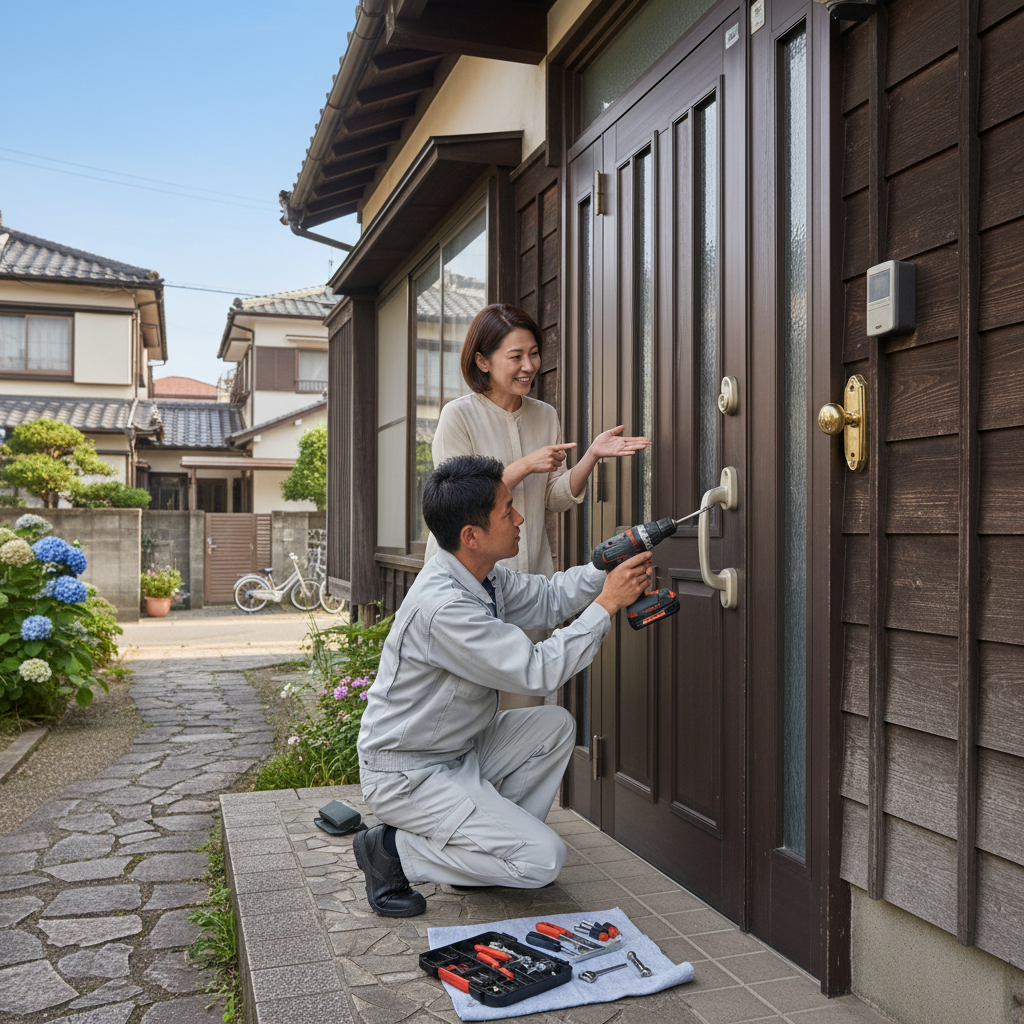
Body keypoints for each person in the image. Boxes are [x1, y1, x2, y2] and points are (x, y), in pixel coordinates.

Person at [354, 454, 652, 916]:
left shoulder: (481, 575)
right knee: (543, 860)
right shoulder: (445, 609)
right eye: (507, 511)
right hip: (408, 775)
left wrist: (606, 564)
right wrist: (608, 604)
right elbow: (537, 670)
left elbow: (550, 598)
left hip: (459, 753)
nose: (519, 519)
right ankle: (390, 850)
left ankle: (480, 859)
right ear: (470, 536)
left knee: (553, 725)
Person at [424, 303, 651, 579]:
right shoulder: (458, 415)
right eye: (515, 356)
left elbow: (555, 499)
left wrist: (592, 454)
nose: (529, 366)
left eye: (533, 354)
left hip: (530, 568)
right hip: (467, 574)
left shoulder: (544, 414)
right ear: (483, 361)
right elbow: (457, 504)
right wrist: (527, 465)